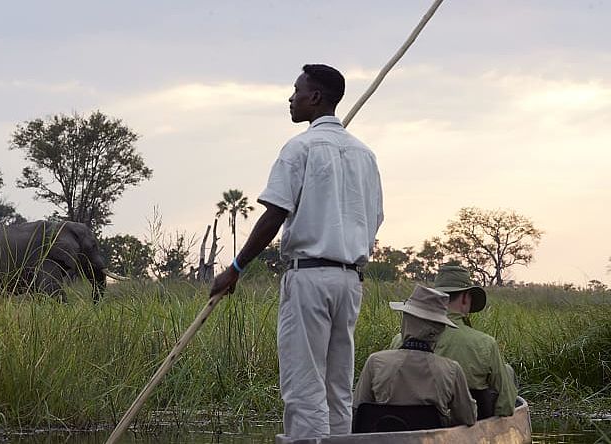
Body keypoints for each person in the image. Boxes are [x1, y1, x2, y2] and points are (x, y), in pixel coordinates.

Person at [210, 64, 383, 439]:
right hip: (350, 281)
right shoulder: (364, 155)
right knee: (338, 387)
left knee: (305, 386)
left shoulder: (300, 148)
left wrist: (236, 268)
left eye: (296, 91)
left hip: (309, 278)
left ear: (315, 97)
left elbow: (274, 215)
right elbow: (375, 219)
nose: (291, 98)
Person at [390, 265, 518, 417]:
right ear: (465, 298)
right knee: (507, 371)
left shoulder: (399, 341)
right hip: (465, 421)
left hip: (404, 419)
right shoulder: (485, 344)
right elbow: (506, 405)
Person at [354, 285, 477, 427]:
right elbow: (468, 418)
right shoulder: (451, 371)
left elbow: (358, 411)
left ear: (406, 321)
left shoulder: (376, 362)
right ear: (440, 329)